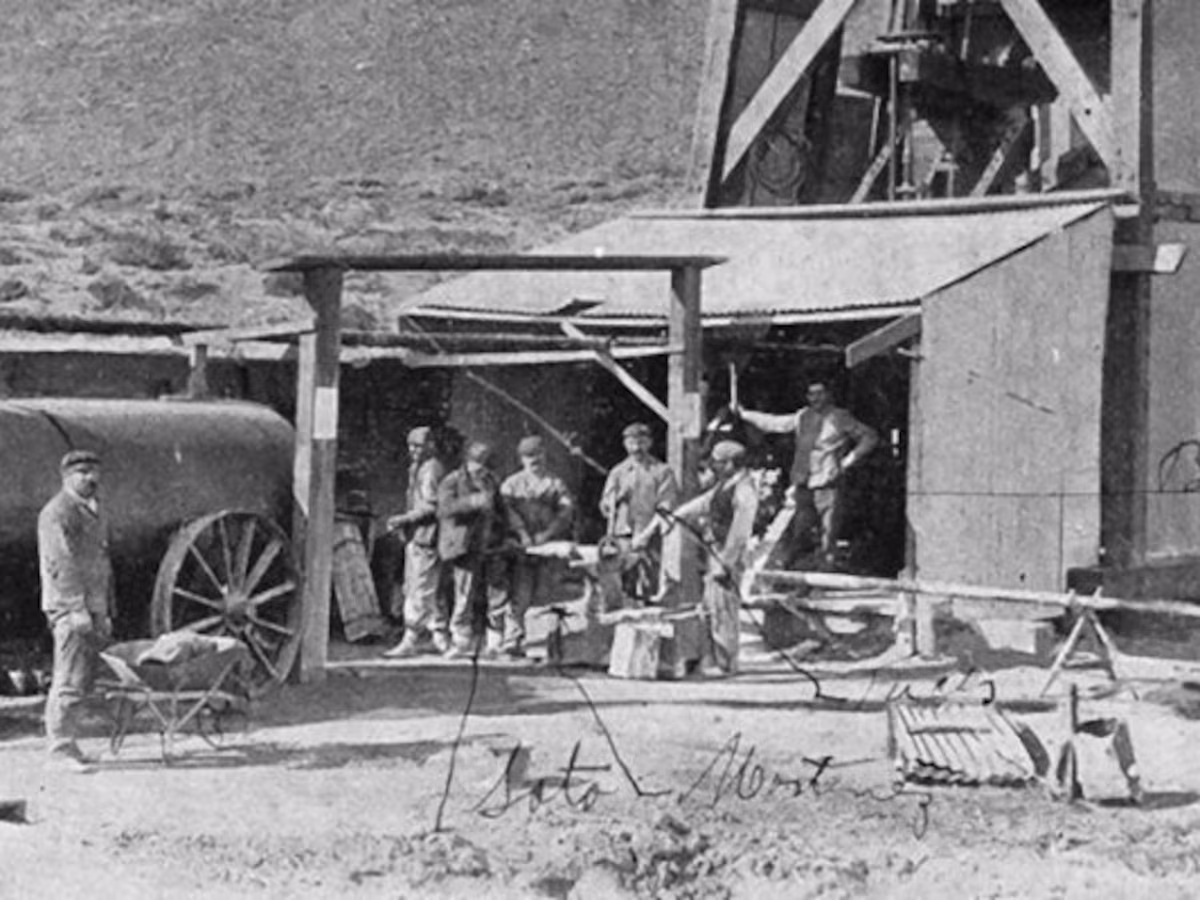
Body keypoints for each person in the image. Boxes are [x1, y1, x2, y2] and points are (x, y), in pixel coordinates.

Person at [636, 440, 758, 675]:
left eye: (718, 462)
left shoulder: (744, 489)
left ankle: (727, 664)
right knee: (711, 606)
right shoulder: (725, 485)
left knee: (724, 608)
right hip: (715, 551)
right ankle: (713, 660)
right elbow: (699, 505)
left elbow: (741, 529)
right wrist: (670, 518)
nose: (714, 466)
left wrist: (727, 562)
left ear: (731, 463)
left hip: (726, 555)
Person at [735, 381, 878, 565]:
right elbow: (775, 423)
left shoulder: (840, 417)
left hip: (828, 485)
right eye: (811, 394)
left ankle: (824, 577)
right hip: (804, 485)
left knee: (828, 536)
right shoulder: (803, 416)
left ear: (828, 394)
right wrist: (745, 414)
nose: (815, 398)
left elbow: (869, 436)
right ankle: (801, 579)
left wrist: (847, 461)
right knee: (801, 534)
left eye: (819, 393)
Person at [38, 449, 115, 772]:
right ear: (66, 477)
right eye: (82, 472)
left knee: (81, 677)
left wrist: (105, 608)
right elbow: (61, 563)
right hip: (71, 608)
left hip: (93, 605)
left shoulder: (93, 510)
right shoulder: (58, 512)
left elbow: (102, 562)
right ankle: (59, 748)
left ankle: (70, 743)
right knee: (68, 676)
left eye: (93, 471)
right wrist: (75, 608)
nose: (90, 478)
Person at [499, 436, 575, 658]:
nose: (535, 460)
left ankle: (545, 641)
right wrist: (522, 533)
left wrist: (547, 533)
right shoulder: (512, 484)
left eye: (538, 454)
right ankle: (513, 639)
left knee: (547, 592)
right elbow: (506, 511)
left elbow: (565, 511)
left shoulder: (555, 483)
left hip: (548, 545)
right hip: (521, 547)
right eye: (529, 456)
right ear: (521, 459)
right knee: (519, 594)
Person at [437, 441, 509, 658]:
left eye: (485, 464)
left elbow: (502, 511)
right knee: (464, 595)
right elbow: (444, 509)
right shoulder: (452, 481)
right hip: (464, 547)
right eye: (477, 464)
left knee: (497, 594)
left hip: (490, 545)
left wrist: (502, 534)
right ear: (467, 462)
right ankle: (461, 641)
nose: (481, 469)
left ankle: (495, 643)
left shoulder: (491, 481)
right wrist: (472, 502)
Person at [383, 427, 449, 659]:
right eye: (411, 445)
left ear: (431, 445)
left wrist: (405, 519)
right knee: (430, 586)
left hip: (427, 535)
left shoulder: (430, 470)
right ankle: (440, 638)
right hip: (419, 535)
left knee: (419, 587)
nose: (413, 450)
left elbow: (431, 506)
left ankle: (410, 639)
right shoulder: (418, 468)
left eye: (419, 446)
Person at [599, 422, 679, 601]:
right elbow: (605, 506)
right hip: (622, 534)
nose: (636, 448)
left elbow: (666, 508)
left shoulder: (662, 471)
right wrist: (617, 497)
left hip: (651, 533)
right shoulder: (617, 472)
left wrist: (647, 533)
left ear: (649, 443)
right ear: (625, 445)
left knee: (649, 579)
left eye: (641, 442)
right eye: (631, 443)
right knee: (621, 578)